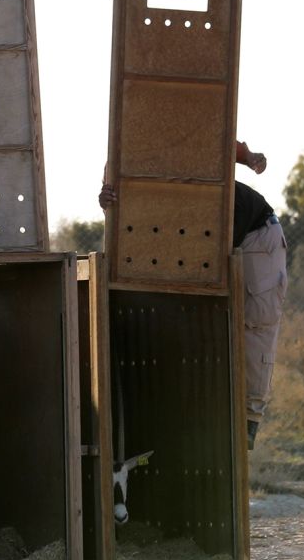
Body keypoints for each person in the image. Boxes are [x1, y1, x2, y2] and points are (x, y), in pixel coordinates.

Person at [99, 141, 285, 449]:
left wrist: (250, 158)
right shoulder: (125, 160)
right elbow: (115, 206)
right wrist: (105, 200)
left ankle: (248, 418)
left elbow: (221, 138)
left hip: (254, 233)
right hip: (206, 244)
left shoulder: (179, 144)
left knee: (256, 318)